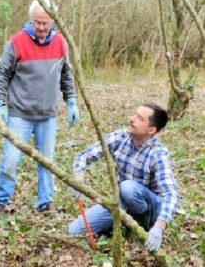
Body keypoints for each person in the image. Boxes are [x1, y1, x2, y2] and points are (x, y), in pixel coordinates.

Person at [0, 0, 79, 214]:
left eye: (45, 23)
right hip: (20, 114)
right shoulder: (16, 43)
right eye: (37, 22)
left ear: (52, 21)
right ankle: (0, 201)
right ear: (31, 20)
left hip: (48, 115)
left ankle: (45, 203)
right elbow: (2, 74)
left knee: (46, 161)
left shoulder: (61, 43)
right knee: (10, 159)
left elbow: (66, 75)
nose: (41, 27)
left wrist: (71, 100)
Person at [68, 103, 179, 252]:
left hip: (151, 206)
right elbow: (84, 155)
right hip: (121, 202)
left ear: (151, 130)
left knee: (128, 188)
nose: (132, 119)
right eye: (135, 114)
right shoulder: (120, 137)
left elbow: (170, 193)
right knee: (74, 230)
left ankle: (143, 225)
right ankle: (125, 221)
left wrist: (160, 225)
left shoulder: (158, 154)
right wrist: (78, 178)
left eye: (139, 118)